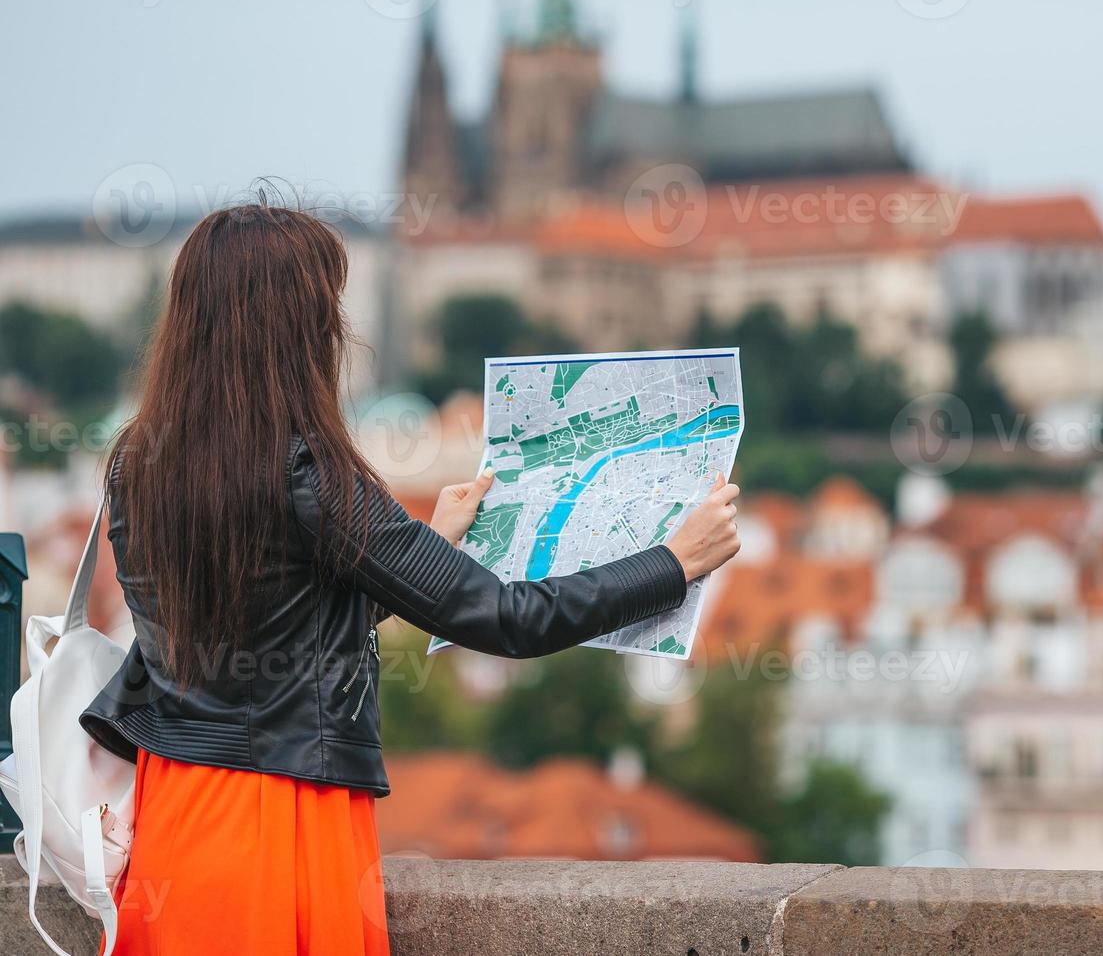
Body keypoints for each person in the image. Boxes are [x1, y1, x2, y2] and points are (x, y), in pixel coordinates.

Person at [79, 204, 741, 955]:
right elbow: (505, 618)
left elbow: (270, 638)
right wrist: (672, 563)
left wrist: (421, 550)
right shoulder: (308, 471)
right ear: (297, 328)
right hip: (285, 819)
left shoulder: (138, 461)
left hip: (172, 814)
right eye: (326, 305)